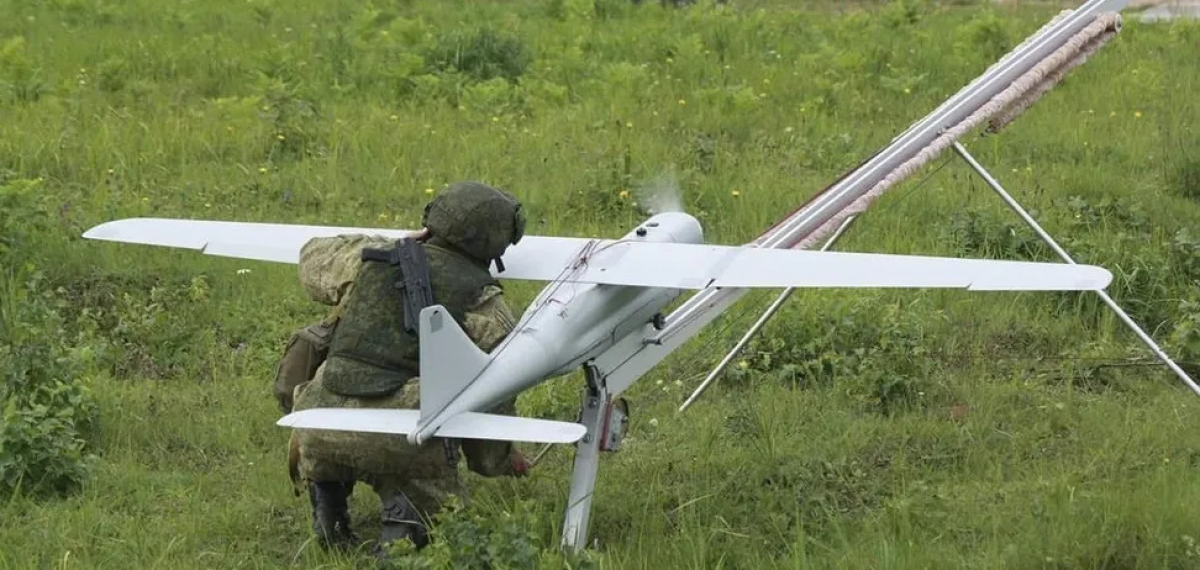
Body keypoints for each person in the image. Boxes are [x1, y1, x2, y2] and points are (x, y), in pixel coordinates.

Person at [287, 181, 532, 555]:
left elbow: (312, 257)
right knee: (435, 478)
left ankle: (328, 501)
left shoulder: (370, 257)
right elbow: (492, 400)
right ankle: (405, 525)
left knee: (329, 410)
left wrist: (402, 243)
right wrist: (498, 461)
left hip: (316, 421)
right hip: (397, 434)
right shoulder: (487, 307)